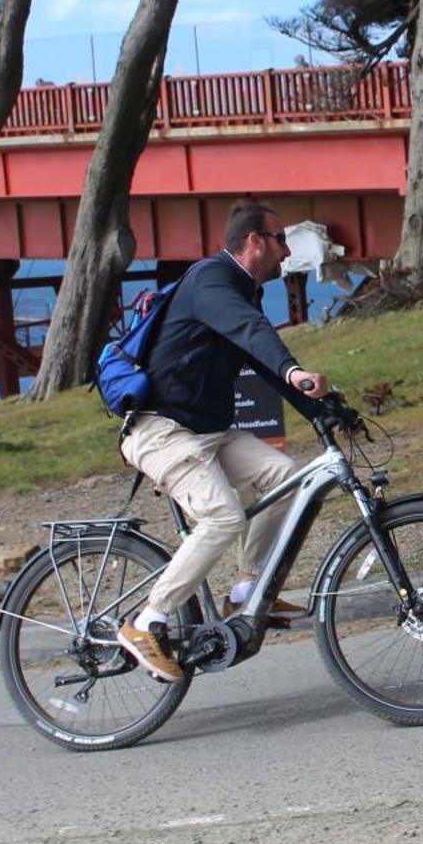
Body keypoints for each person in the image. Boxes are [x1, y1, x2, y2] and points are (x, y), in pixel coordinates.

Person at [116, 198, 331, 682]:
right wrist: (294, 369)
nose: (286, 251)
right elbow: (250, 332)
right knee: (223, 516)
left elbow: (256, 358)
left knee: (288, 477)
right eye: (281, 240)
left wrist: (323, 412)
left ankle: (249, 590)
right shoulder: (211, 280)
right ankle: (148, 620)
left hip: (206, 431)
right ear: (254, 241)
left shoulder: (242, 291)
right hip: (161, 430)